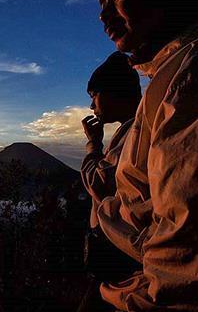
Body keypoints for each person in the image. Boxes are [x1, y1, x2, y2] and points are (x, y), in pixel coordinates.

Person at [91, 0, 198, 310]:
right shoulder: (165, 79)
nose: (103, 15)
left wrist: (123, 294)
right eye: (100, 3)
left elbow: (182, 254)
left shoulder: (186, 81)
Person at [77, 52, 143, 311]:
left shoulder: (132, 131)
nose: (92, 106)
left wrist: (93, 145)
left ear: (113, 92)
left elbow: (98, 182)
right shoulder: (131, 129)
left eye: (94, 96)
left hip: (120, 263)